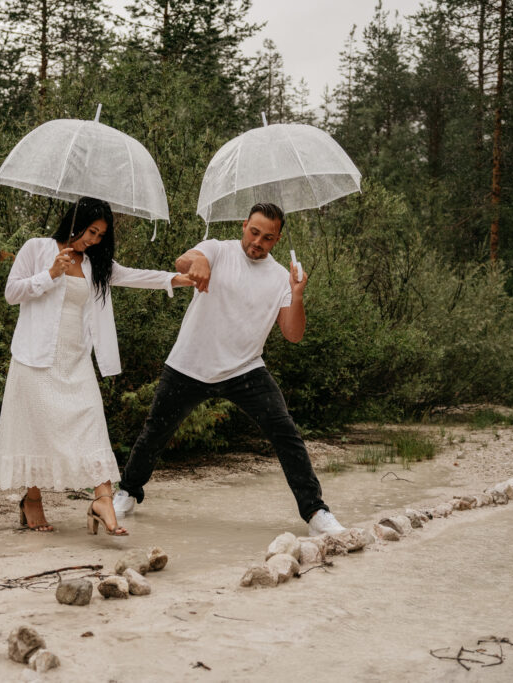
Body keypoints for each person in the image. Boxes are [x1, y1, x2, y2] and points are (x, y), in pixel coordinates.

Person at [114, 202, 347, 536]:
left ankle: (315, 513)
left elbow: (293, 335)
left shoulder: (282, 277)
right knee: (155, 431)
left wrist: (296, 295)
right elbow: (185, 260)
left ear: (277, 239)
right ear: (243, 226)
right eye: (254, 232)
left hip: (245, 369)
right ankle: (128, 491)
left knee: (287, 434)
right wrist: (200, 263)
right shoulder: (217, 250)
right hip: (190, 363)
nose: (258, 241)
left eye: (267, 237)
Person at [0, 197, 190, 536]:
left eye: (100, 235)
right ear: (75, 222)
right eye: (91, 232)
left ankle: (102, 499)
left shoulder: (95, 263)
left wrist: (180, 280)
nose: (93, 240)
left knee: (92, 419)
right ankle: (31, 501)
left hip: (75, 359)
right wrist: (50, 273)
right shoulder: (37, 248)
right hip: (35, 358)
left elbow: (134, 276)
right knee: (37, 431)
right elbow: (12, 292)